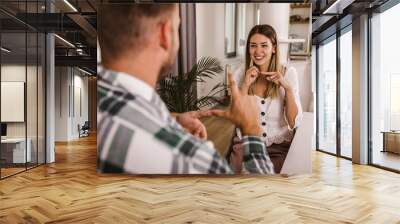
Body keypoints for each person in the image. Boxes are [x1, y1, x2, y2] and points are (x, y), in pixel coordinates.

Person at [97, 3, 274, 174]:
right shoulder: (193, 160)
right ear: (164, 34)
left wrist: (171, 119)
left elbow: (130, 111)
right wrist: (252, 131)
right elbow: (260, 198)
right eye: (178, 27)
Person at [228, 24, 303, 174]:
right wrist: (245, 85)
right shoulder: (239, 74)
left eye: (264, 45)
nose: (258, 51)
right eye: (253, 46)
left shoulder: (289, 73)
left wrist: (287, 88)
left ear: (274, 48)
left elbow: (293, 122)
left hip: (277, 148)